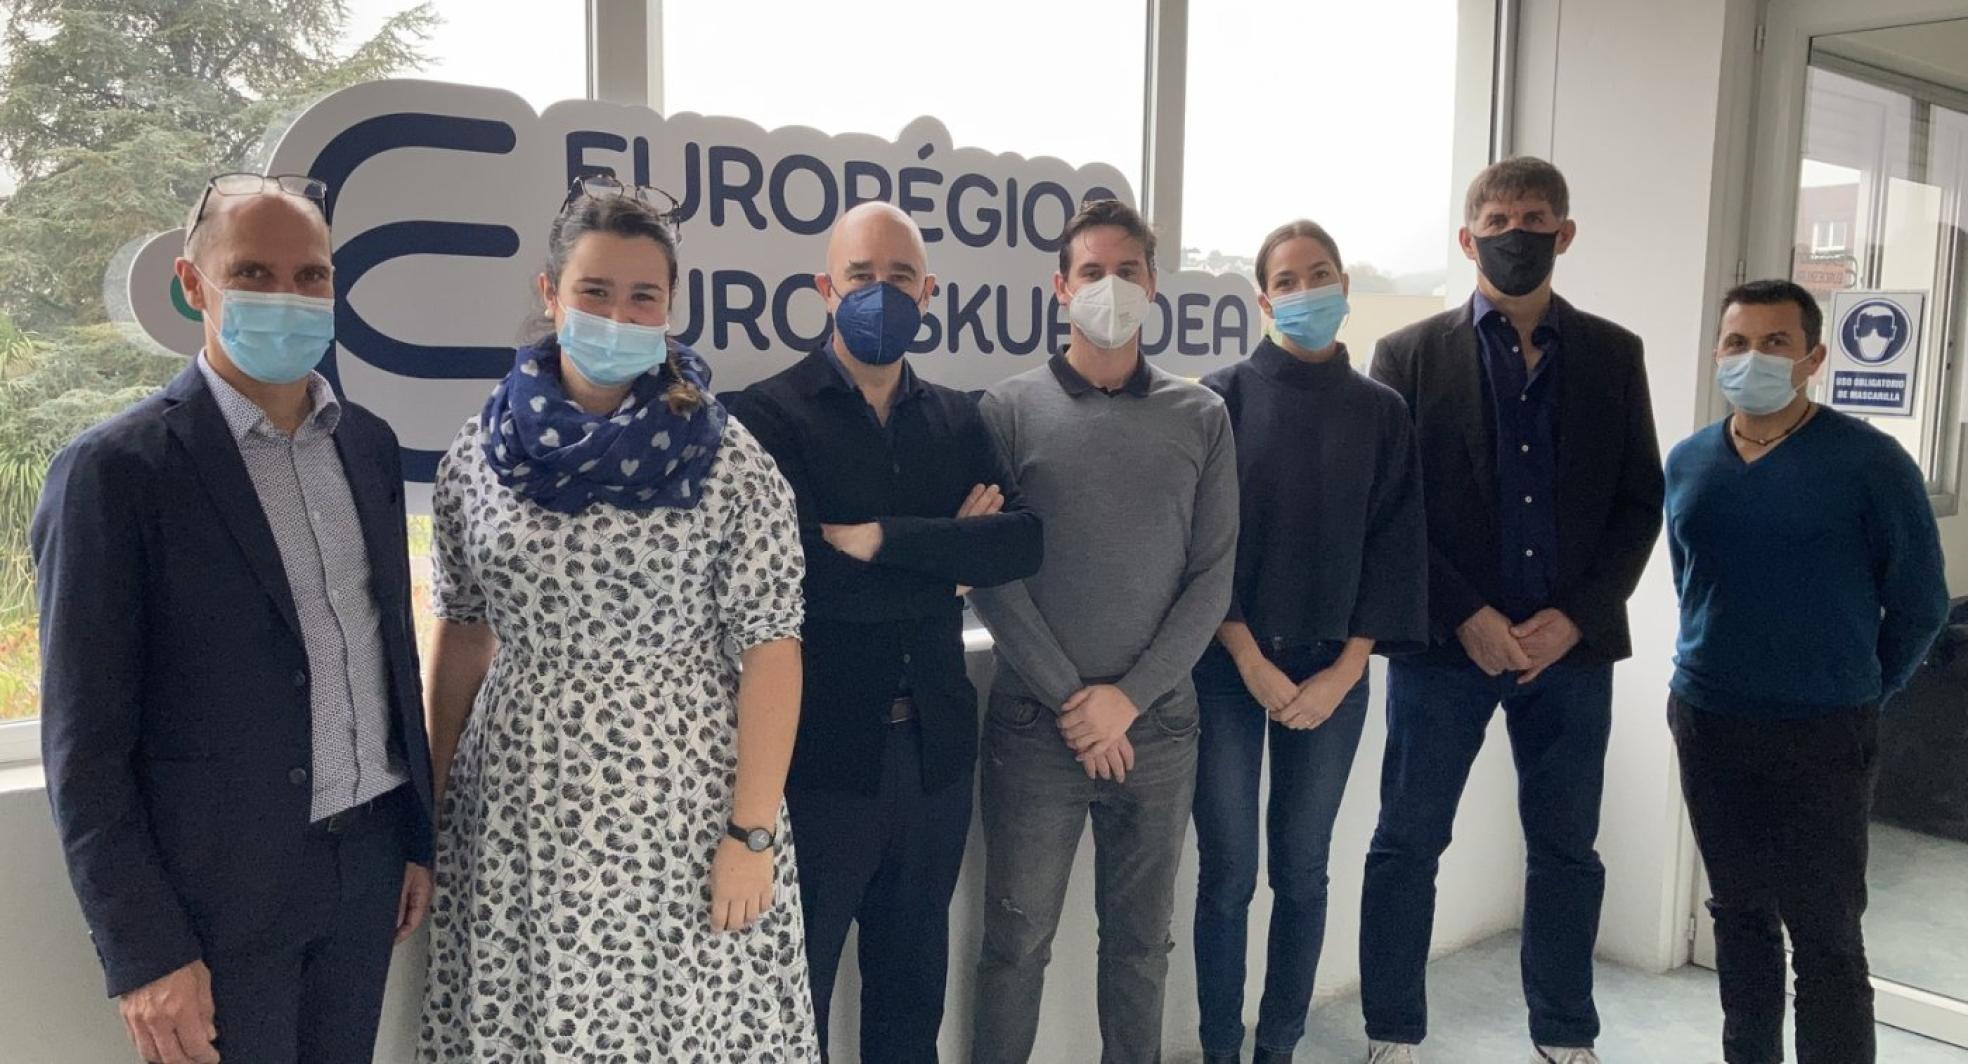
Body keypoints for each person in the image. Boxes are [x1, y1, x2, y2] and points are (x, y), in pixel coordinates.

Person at [32, 172, 436, 1064]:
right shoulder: (116, 472)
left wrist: (413, 835)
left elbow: (387, 650)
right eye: (252, 273)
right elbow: (83, 745)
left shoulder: (366, 444)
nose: (286, 296)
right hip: (216, 896)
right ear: (193, 284)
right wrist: (144, 952)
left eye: (309, 276)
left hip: (366, 865)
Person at [417, 179, 817, 1061]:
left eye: (643, 296)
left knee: (684, 1023)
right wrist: (429, 808)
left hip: (683, 803)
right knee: (535, 1012)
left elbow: (772, 648)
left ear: (670, 310)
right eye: (594, 290)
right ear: (549, 292)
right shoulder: (478, 456)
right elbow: (464, 632)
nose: (617, 314)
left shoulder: (728, 460)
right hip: (520, 800)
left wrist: (751, 834)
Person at [1361, 156, 1664, 1064]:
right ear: (1469, 239)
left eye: (1534, 219)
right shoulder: (1408, 355)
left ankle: (1565, 1033)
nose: (1515, 235)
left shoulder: (1615, 353)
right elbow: (1392, 507)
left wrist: (1577, 616)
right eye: (1497, 221)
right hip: (1445, 647)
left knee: (1568, 849)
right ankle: (1392, 1031)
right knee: (1407, 842)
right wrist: (1467, 615)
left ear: (1565, 233)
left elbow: (1638, 501)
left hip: (1570, 652)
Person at [731, 201, 1044, 1063]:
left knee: (910, 1004)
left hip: (934, 759)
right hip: (818, 762)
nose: (881, 292)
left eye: (901, 277)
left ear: (929, 292)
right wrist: (948, 561)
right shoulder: (767, 417)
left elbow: (1023, 541)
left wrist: (881, 540)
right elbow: (798, 583)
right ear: (825, 288)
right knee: (791, 1002)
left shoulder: (957, 418)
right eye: (861, 275)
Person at [967, 198, 1239, 1064]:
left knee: (1141, 947)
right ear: (1060, 287)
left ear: (1153, 286)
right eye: (1092, 271)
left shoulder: (1201, 415)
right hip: (1034, 728)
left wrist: (1126, 700)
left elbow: (1212, 577)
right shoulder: (1005, 410)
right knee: (1015, 944)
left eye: (1127, 271)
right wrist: (1075, 703)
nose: (1109, 287)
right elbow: (990, 571)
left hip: (1159, 729)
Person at [1666, 280, 1949, 1064]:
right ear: (1717, 352)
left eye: (1775, 343)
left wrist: (1860, 687)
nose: (1752, 357)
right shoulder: (1690, 461)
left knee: (1826, 936)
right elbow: (1693, 582)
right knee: (1739, 917)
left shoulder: (1869, 463)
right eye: (1737, 342)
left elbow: (1921, 602)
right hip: (1709, 719)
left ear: (1813, 357)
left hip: (1822, 730)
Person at [1192, 220, 1428, 1064]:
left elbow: (1394, 550)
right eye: (1286, 281)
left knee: (1302, 870)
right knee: (1228, 874)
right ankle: (1221, 1049)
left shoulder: (1382, 412)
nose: (1304, 292)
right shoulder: (1218, 400)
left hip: (1335, 670)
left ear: (1344, 286)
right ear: (1263, 300)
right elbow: (1202, 546)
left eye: (1318, 274)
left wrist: (1346, 669)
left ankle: (1279, 1047)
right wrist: (1247, 655)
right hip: (1228, 666)